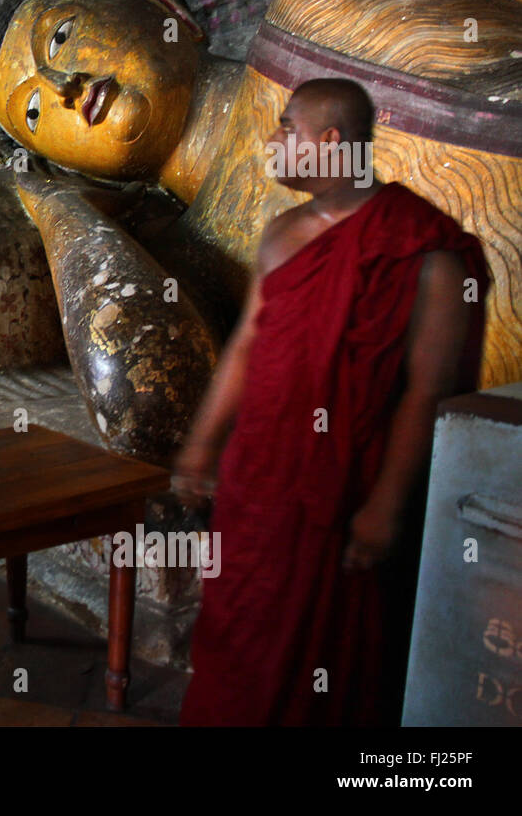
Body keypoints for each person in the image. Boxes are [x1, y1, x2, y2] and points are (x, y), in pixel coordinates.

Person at [172, 78, 489, 726]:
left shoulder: (423, 251)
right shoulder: (282, 232)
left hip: (340, 492)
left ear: (329, 142)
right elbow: (245, 348)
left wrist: (385, 507)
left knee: (323, 660)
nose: (273, 142)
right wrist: (203, 446)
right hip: (258, 481)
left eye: (286, 127)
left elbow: (428, 394)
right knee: (237, 638)